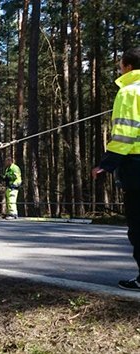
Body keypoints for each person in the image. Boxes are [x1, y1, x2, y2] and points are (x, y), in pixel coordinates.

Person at [92, 47, 140, 292]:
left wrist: (106, 165)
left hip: (136, 165)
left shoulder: (129, 91)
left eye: (121, 65)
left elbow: (124, 133)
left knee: (138, 224)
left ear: (128, 67)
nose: (120, 69)